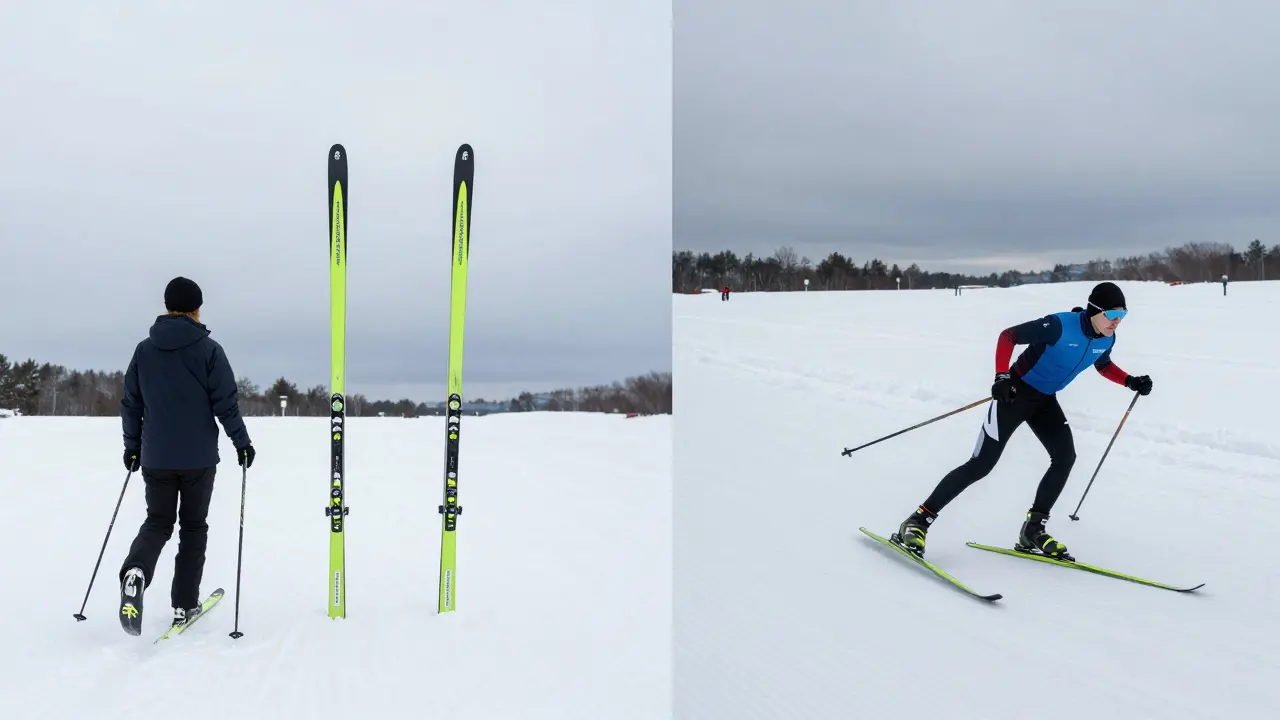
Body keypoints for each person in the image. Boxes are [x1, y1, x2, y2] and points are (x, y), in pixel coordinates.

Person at [894, 281, 1152, 561]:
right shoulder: (1058, 325)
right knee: (981, 464)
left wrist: (1129, 380)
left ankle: (1033, 529)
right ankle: (918, 520)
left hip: (1045, 401)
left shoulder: (1107, 339)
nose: (1117, 322)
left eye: (1123, 316)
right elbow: (1008, 336)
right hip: (1014, 394)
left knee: (1065, 457)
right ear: (1094, 311)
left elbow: (1102, 364)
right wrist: (1002, 376)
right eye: (1113, 315)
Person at [116, 276, 256, 635]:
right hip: (198, 460)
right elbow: (225, 403)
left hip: (156, 457)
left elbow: (132, 403)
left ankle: (136, 571)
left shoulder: (143, 351)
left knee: (157, 522)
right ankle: (184, 604)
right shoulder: (209, 350)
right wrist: (241, 442)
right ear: (196, 309)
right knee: (193, 527)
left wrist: (131, 447)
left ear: (166, 307)